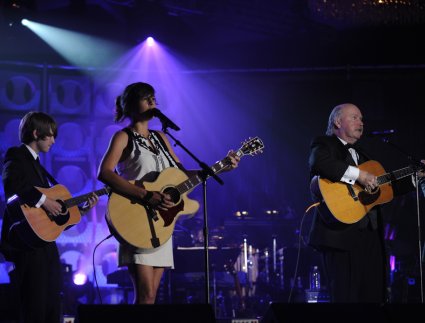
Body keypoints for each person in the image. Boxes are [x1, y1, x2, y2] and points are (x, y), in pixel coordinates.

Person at [97, 81, 240, 304]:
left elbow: (181, 176)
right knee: (144, 296)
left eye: (154, 98)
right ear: (132, 104)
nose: (153, 102)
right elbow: (105, 173)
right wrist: (145, 195)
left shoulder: (162, 139)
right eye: (147, 98)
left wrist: (220, 166)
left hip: (160, 224)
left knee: (152, 296)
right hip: (135, 219)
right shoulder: (123, 137)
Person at [307, 103, 424, 303]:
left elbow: (387, 189)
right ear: (337, 121)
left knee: (373, 300)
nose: (360, 122)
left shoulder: (364, 155)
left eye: (361, 119)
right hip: (340, 237)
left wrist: (416, 177)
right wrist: (359, 175)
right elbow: (320, 163)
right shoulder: (324, 144)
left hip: (370, 238)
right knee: (347, 302)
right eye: (354, 117)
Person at [0, 111, 98, 323]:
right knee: (35, 305)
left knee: (53, 302)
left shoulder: (37, 165)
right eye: (51, 135)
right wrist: (45, 201)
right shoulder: (16, 155)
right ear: (36, 133)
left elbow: (47, 218)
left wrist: (79, 212)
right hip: (27, 244)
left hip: (44, 243)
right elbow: (12, 186)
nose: (54, 141)